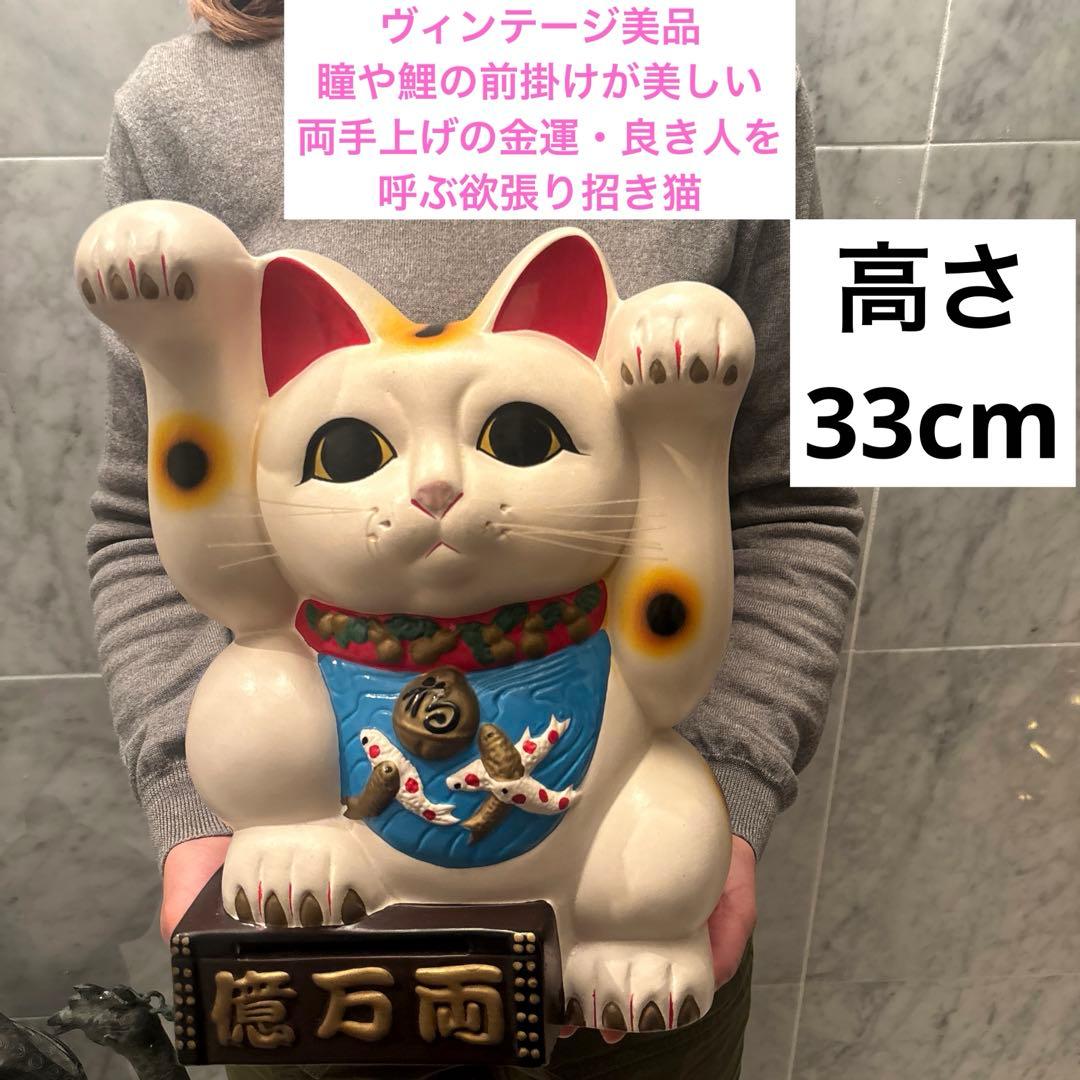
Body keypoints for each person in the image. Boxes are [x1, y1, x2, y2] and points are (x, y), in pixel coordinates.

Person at [87, 2, 862, 1076]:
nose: (438, 489)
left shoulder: (716, 87)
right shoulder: (186, 106)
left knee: (654, 852)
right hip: (314, 919)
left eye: (515, 438)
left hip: (615, 918)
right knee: (259, 681)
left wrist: (719, 807)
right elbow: (142, 522)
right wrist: (202, 814)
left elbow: (788, 502)